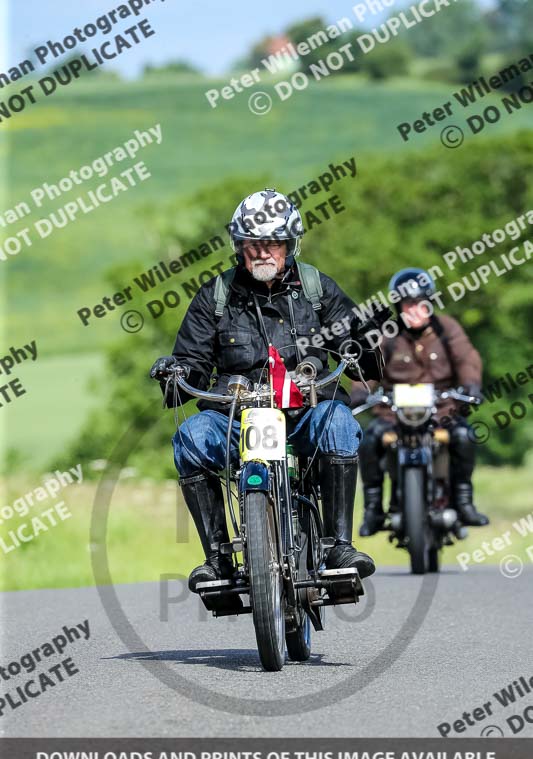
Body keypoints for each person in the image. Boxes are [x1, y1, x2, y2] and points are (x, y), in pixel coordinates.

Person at [150, 189, 383, 601]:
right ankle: (218, 557)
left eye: (272, 242)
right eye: (252, 243)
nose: (262, 252)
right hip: (236, 414)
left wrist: (367, 340)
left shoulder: (317, 290)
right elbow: (193, 360)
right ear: (239, 246)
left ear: (289, 244)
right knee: (190, 437)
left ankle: (338, 546)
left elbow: (359, 352)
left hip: (308, 411)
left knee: (340, 424)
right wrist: (176, 370)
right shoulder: (216, 296)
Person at [352, 268, 489, 538]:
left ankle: (463, 502)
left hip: (442, 410)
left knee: (464, 435)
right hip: (394, 414)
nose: (414, 309)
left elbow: (467, 360)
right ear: (398, 306)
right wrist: (359, 391)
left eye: (419, 303)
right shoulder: (387, 335)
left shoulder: (448, 329)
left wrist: (471, 386)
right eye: (407, 304)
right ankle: (373, 510)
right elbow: (367, 370)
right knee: (369, 441)